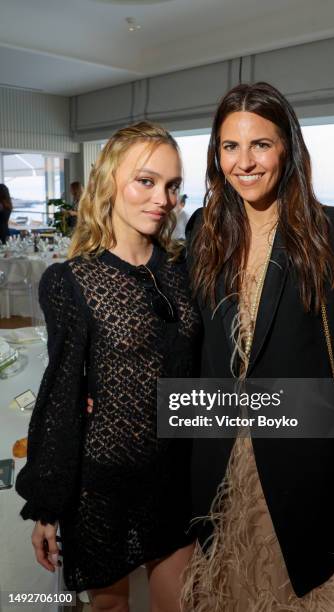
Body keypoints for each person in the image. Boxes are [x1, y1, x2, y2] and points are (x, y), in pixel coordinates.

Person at [182, 82, 334, 611]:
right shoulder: (203, 229)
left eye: (260, 145)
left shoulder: (332, 230)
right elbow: (195, 353)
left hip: (299, 464)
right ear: (215, 154)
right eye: (230, 147)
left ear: (287, 147)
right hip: (218, 461)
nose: (244, 162)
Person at [16, 122, 201, 612]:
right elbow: (60, 395)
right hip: (104, 482)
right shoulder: (71, 281)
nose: (161, 197)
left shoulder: (183, 270)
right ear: (109, 183)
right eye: (146, 180)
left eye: (172, 185)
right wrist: (48, 507)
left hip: (175, 478)